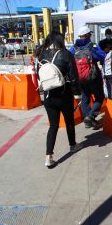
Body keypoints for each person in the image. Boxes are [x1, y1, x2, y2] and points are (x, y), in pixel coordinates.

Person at [35, 31, 83, 167]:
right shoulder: (66, 54)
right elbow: (73, 77)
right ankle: (73, 145)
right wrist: (77, 95)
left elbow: (39, 76)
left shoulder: (41, 54)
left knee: (53, 125)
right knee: (69, 121)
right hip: (64, 94)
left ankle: (48, 157)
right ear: (60, 40)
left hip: (48, 96)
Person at [70, 26, 105, 128]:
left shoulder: (74, 48)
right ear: (87, 35)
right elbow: (102, 56)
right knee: (99, 97)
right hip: (93, 76)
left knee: (85, 98)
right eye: (90, 34)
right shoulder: (92, 46)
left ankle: (88, 120)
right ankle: (90, 116)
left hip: (80, 78)